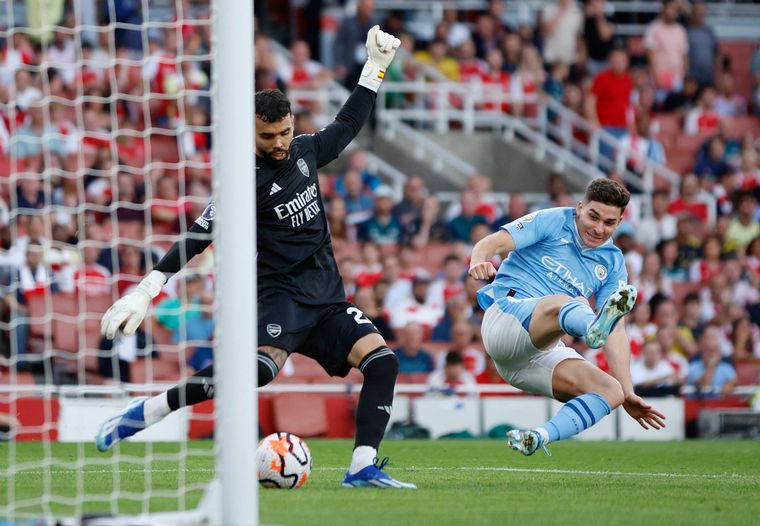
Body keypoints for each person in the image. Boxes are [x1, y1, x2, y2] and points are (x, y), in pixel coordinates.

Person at [95, 26, 415, 489]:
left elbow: (345, 127)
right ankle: (145, 412)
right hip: (279, 299)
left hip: (325, 299)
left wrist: (374, 69)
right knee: (255, 374)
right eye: (270, 136)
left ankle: (362, 467)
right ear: (251, 132)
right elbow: (196, 237)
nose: (281, 142)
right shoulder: (242, 182)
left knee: (382, 362)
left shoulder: (305, 150)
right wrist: (146, 291)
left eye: (285, 131)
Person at [468, 178, 665, 456]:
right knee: (569, 302)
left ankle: (537, 437)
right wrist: (479, 259)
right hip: (505, 320)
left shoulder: (612, 261)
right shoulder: (553, 220)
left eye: (609, 223)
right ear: (580, 207)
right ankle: (591, 326)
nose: (598, 229)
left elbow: (617, 328)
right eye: (593, 217)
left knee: (611, 391)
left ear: (619, 223)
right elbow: (493, 242)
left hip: (533, 357)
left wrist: (628, 390)